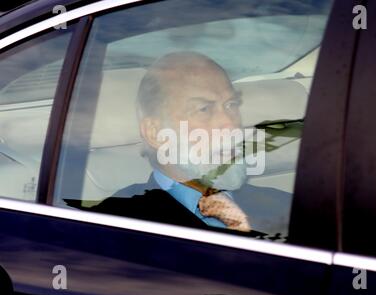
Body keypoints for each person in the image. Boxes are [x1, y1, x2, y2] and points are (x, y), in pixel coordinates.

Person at [82, 52, 292, 237]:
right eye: (203, 109)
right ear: (156, 133)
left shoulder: (288, 207)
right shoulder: (114, 225)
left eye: (231, 105)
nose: (230, 124)